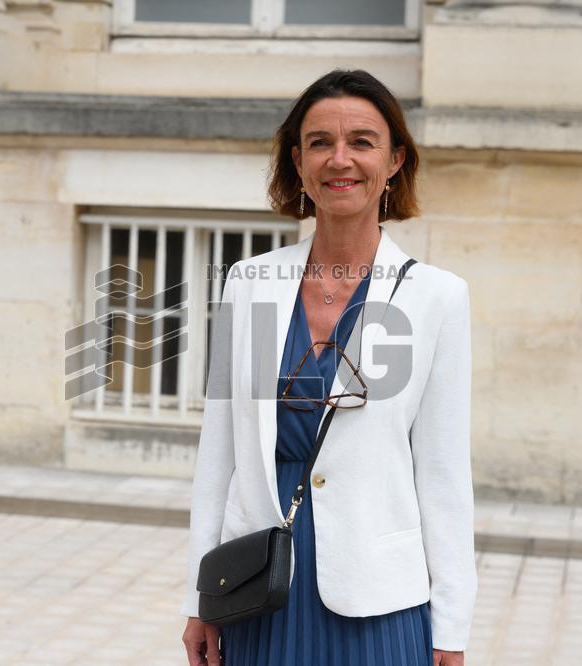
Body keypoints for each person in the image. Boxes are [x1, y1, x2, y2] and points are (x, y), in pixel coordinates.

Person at [181, 69, 477, 666]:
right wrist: (199, 594)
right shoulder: (250, 284)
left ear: (394, 160)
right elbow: (218, 455)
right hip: (260, 588)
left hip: (378, 601)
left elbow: (443, 474)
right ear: (298, 161)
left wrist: (452, 625)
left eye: (362, 142)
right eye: (320, 142)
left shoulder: (436, 297)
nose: (340, 160)